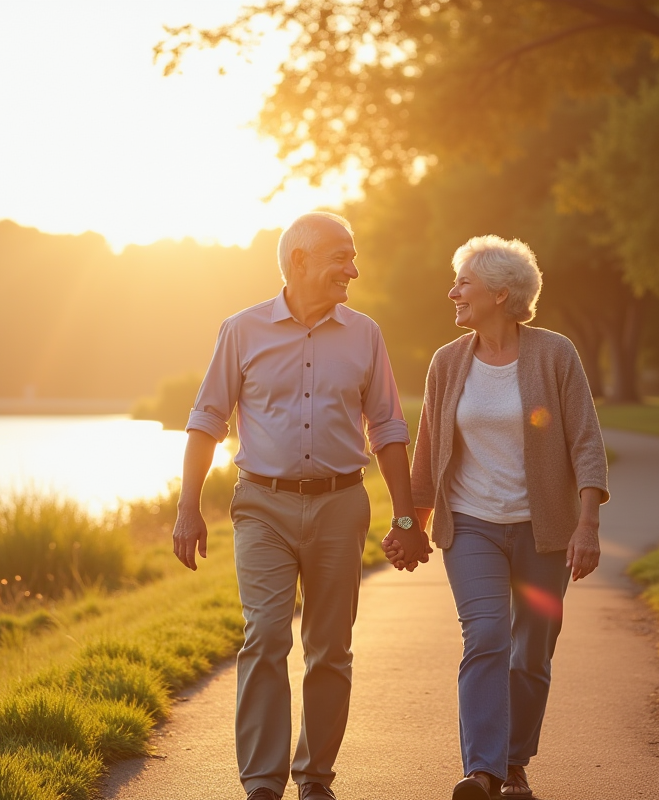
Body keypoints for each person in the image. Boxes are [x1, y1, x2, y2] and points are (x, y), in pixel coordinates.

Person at [173, 211, 429, 800]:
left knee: (330, 648)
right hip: (262, 505)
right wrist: (188, 508)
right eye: (343, 256)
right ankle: (262, 783)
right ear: (301, 261)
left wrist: (408, 515)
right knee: (265, 635)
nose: (354, 269)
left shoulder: (366, 334)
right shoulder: (241, 330)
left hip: (341, 505)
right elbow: (206, 419)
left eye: (353, 256)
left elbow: (388, 426)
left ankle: (315, 777)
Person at [384, 234, 609, 800]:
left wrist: (588, 525)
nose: (452, 292)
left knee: (531, 649)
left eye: (464, 283)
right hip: (472, 525)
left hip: (546, 530)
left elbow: (585, 441)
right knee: (485, 636)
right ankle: (481, 770)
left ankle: (514, 762)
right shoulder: (448, 362)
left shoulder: (554, 354)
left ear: (501, 294)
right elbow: (429, 448)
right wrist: (411, 522)